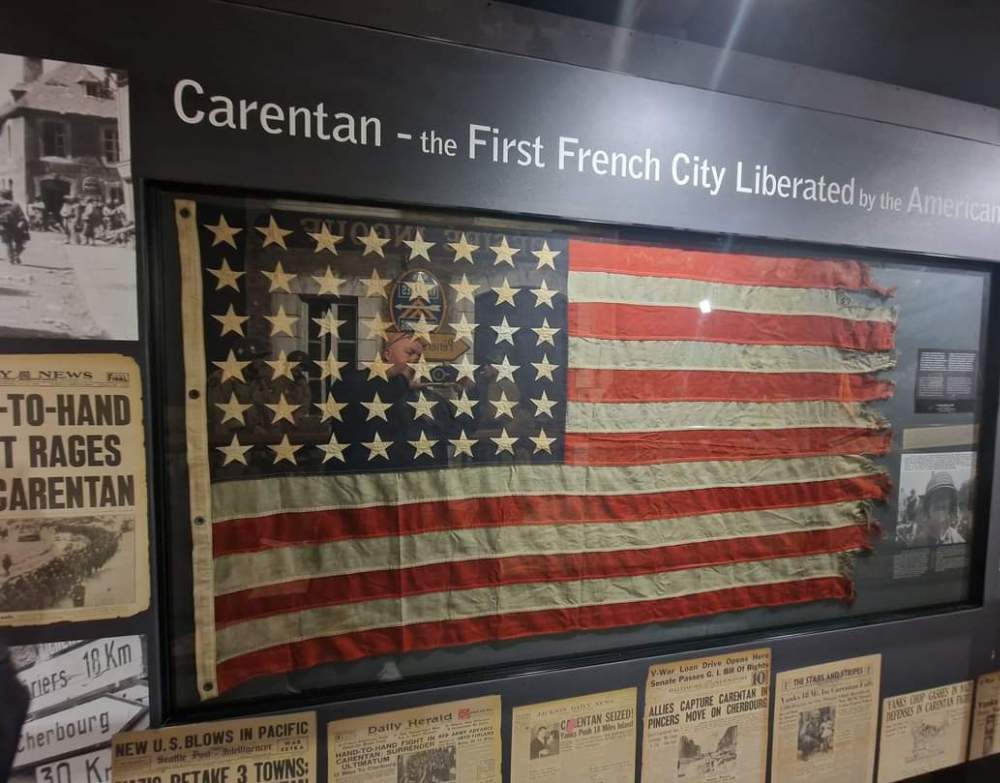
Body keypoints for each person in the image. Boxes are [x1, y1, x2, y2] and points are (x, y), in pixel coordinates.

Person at [921, 471, 965, 545]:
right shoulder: (918, 542)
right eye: (936, 497)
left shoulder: (958, 540)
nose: (940, 502)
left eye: (944, 496)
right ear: (928, 506)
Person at [0, 189, 30, 264]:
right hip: (16, 226)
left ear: (1, 196)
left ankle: (12, 258)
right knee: (19, 243)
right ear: (11, 195)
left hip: (4, 227)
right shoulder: (15, 205)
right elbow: (21, 216)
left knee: (9, 244)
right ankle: (15, 255)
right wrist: (22, 223)